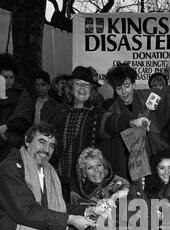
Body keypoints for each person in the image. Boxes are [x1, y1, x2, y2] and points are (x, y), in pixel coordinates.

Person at [50, 65, 149, 201]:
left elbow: (113, 121)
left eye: (86, 85)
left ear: (92, 90)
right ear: (71, 88)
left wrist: (132, 122)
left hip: (87, 185)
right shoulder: (58, 113)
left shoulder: (96, 114)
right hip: (59, 181)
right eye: (78, 84)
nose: (82, 88)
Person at [103, 61, 170, 180]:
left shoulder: (150, 96)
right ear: (115, 89)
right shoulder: (113, 111)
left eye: (127, 86)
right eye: (119, 88)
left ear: (134, 84)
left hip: (155, 156)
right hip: (130, 165)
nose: (124, 92)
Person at [70, 147, 129, 230]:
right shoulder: (77, 193)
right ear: (83, 173)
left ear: (104, 166)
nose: (96, 170)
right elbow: (88, 212)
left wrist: (115, 196)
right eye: (90, 168)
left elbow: (130, 191)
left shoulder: (115, 181)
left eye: (99, 165)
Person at [0, 53, 34, 161]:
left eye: (11, 77)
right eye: (5, 77)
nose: (8, 80)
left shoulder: (22, 94)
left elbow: (25, 117)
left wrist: (7, 127)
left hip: (14, 145)